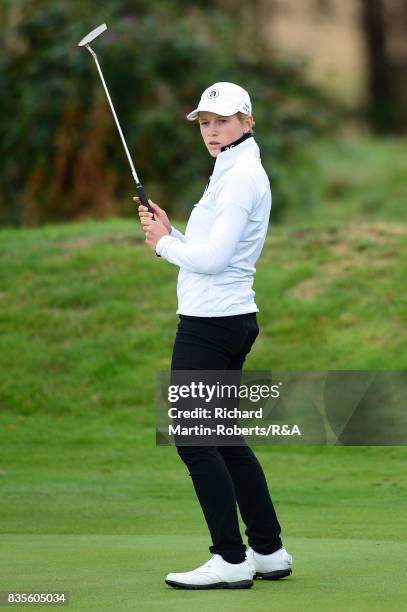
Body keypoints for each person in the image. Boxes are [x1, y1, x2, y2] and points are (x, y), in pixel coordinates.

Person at [135, 82, 293, 590]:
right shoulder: (233, 170)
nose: (211, 130)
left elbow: (217, 260)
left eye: (222, 121)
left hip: (210, 326)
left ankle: (229, 558)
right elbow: (207, 249)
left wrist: (163, 248)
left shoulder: (241, 177)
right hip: (228, 318)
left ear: (248, 121)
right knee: (224, 439)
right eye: (204, 122)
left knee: (195, 441)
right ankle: (267, 551)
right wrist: (173, 232)